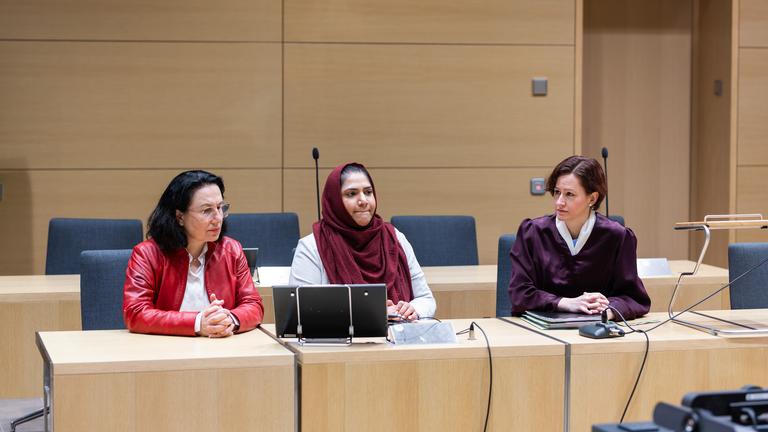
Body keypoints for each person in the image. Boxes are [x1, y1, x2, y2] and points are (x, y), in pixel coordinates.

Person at [508, 155, 651, 320]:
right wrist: (566, 303)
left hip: (598, 330)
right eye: (557, 192)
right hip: (541, 331)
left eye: (569, 194)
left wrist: (609, 310)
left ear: (592, 198)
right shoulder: (532, 233)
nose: (559, 202)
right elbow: (519, 293)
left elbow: (633, 297)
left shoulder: (617, 236)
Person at [123, 170, 264, 336]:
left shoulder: (232, 250)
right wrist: (198, 323)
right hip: (165, 350)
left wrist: (230, 319)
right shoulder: (147, 254)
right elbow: (136, 313)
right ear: (179, 217)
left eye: (220, 207)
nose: (218, 217)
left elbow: (253, 304)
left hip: (221, 349)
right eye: (206, 210)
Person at [289, 162, 436, 320]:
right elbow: (301, 310)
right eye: (351, 194)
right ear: (335, 201)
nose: (363, 200)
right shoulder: (312, 246)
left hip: (398, 339)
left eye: (368, 192)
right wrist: (373, 314)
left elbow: (426, 300)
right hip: (340, 343)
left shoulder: (395, 238)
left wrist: (413, 309)